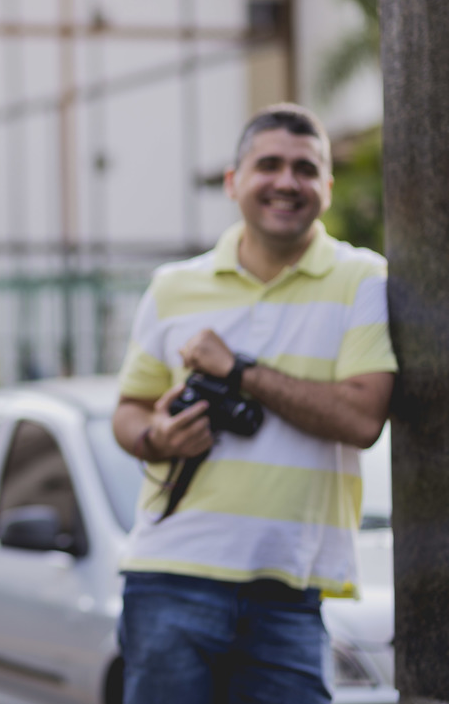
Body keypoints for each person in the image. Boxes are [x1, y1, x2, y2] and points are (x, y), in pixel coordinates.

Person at [111, 103, 395, 704]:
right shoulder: (173, 287)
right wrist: (157, 437)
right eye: (269, 165)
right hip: (170, 573)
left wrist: (238, 371)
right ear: (233, 181)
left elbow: (362, 418)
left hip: (290, 585)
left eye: (305, 169)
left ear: (326, 186)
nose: (287, 182)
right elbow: (129, 410)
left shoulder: (362, 280)